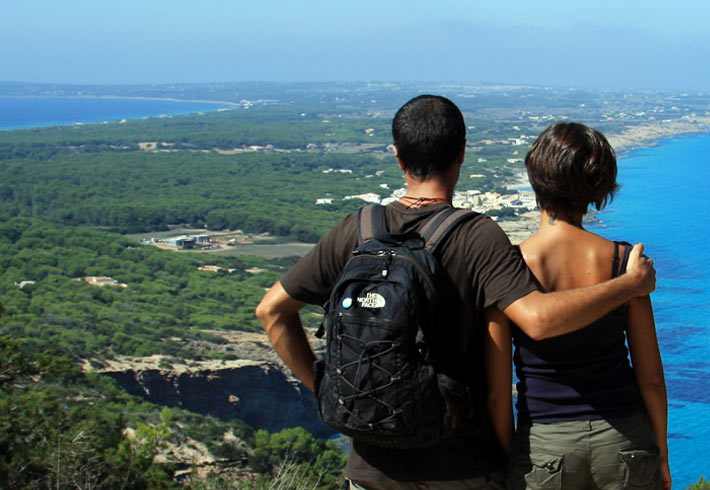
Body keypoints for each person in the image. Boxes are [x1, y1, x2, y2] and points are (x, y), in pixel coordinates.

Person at [255, 96, 656, 490]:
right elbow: (537, 322)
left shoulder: (356, 230)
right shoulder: (479, 238)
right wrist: (629, 284)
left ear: (398, 157)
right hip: (461, 464)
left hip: (373, 465)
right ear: (462, 154)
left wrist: (329, 390)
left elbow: (271, 311)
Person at [502, 122, 671, 490]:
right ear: (598, 188)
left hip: (545, 446)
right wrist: (662, 452)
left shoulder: (511, 264)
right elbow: (652, 379)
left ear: (536, 180)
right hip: (624, 437)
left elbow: (497, 386)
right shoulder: (627, 263)